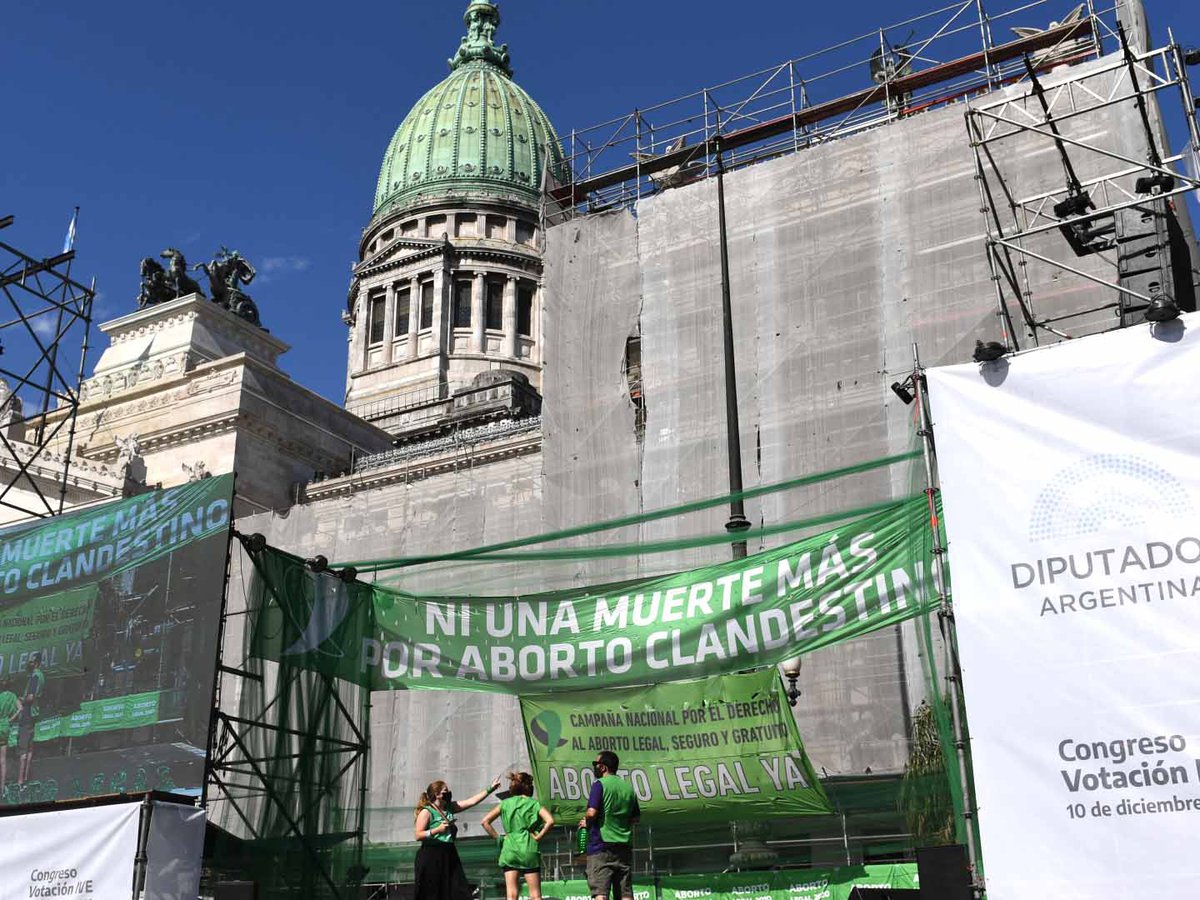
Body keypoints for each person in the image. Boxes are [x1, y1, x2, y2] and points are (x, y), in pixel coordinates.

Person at [414, 775, 501, 899]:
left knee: (458, 890)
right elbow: (418, 835)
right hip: (432, 855)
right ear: (437, 794)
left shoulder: (450, 807)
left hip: (449, 853)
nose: (448, 793)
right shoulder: (427, 812)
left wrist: (490, 789)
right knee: (433, 893)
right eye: (445, 791)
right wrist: (436, 830)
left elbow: (472, 801)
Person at [481, 772, 555, 900]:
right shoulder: (534, 804)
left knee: (511, 895)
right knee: (535, 895)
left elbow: (485, 822)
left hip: (509, 849)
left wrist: (499, 838)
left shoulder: (505, 803)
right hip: (528, 848)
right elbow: (550, 821)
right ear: (528, 786)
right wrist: (539, 837)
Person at [580, 751, 640, 900]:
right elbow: (635, 818)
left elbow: (592, 813)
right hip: (623, 846)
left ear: (603, 767)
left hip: (601, 846)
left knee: (600, 892)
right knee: (625, 893)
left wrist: (586, 822)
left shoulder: (599, 784)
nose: (594, 767)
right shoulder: (628, 788)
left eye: (595, 764)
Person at [17, 653, 44, 786]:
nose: (29, 664)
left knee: (23, 748)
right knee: (30, 747)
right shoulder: (41, 676)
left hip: (28, 714)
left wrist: (20, 700)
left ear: (36, 663)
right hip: (34, 714)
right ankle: (26, 778)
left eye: (31, 662)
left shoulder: (35, 677)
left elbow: (30, 697)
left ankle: (20, 781)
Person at [0, 682, 21, 792]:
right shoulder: (13, 696)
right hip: (5, 727)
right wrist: (10, 719)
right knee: (2, 759)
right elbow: (20, 708)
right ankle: (2, 788)